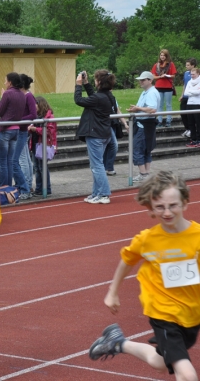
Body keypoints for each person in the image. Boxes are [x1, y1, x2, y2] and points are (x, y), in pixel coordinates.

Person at [89, 171, 199, 381]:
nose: (166, 212)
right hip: (163, 313)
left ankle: (118, 342)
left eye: (173, 205)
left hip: (192, 313)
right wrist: (112, 293)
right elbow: (127, 261)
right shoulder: (148, 240)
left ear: (185, 203)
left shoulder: (197, 237)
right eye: (159, 207)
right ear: (150, 209)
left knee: (160, 362)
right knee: (187, 374)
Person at [75, 70, 116, 204]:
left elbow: (78, 100)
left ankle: (104, 194)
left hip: (95, 134)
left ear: (99, 82)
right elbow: (94, 96)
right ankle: (96, 193)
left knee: (97, 165)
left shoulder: (99, 98)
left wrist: (78, 85)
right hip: (103, 134)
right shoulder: (108, 96)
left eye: (95, 80)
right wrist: (86, 83)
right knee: (96, 165)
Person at [0, 73, 26, 190]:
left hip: (4, 130)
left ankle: (2, 189)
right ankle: (8, 189)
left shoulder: (8, 93)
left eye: (5, 81)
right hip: (15, 130)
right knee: (9, 162)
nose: (4, 83)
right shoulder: (22, 94)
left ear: (10, 82)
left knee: (2, 163)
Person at [129, 72, 160, 182]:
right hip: (145, 124)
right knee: (146, 149)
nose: (140, 82)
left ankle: (143, 174)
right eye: (140, 80)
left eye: (143, 80)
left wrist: (138, 109)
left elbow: (152, 109)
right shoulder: (147, 92)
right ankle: (146, 173)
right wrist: (137, 108)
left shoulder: (151, 93)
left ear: (150, 80)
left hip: (145, 125)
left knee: (137, 149)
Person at [28, 96, 57, 196]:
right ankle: (39, 188)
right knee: (37, 167)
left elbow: (49, 132)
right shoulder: (36, 116)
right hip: (36, 144)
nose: (34, 106)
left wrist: (35, 129)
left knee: (42, 167)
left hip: (43, 144)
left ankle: (46, 188)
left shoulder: (49, 117)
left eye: (35, 104)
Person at [16, 74, 37, 196]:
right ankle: (27, 184)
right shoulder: (24, 96)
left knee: (23, 159)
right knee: (25, 159)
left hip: (22, 129)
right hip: (22, 128)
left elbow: (33, 114)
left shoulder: (28, 96)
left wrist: (19, 119)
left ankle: (27, 186)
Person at [151, 49, 177, 127]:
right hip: (158, 86)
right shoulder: (156, 65)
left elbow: (173, 75)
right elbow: (153, 76)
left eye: (164, 55)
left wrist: (167, 75)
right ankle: (159, 120)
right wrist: (160, 76)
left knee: (168, 104)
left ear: (166, 56)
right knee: (160, 104)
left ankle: (169, 120)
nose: (162, 57)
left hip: (168, 86)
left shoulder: (171, 64)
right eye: (161, 55)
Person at [183, 67, 200, 147]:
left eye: (194, 74)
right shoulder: (189, 82)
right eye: (191, 74)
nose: (192, 76)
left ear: (198, 74)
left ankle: (199, 139)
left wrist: (191, 91)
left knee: (198, 122)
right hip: (189, 103)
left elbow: (198, 92)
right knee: (191, 122)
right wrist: (194, 92)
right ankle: (193, 139)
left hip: (197, 103)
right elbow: (186, 93)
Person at [181, 58, 197, 138]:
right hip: (185, 96)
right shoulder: (186, 73)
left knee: (190, 114)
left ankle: (192, 130)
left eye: (188, 65)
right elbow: (185, 85)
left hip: (192, 97)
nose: (186, 66)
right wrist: (182, 95)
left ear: (193, 65)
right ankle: (187, 128)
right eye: (186, 65)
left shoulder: (196, 74)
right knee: (182, 112)